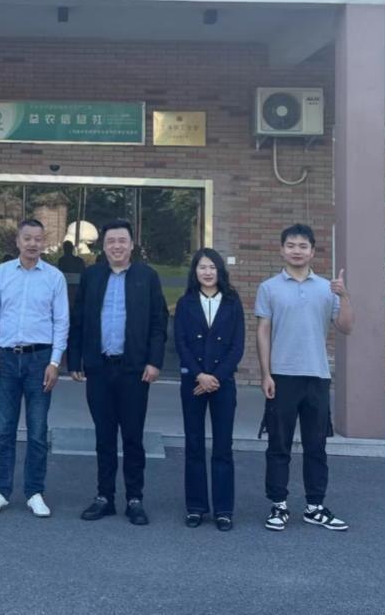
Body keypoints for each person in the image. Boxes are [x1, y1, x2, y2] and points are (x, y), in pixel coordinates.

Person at [255, 223, 354, 532]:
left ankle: (315, 506)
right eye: (291, 245)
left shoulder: (327, 288)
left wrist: (344, 295)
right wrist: (265, 373)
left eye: (302, 246)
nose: (296, 251)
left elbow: (346, 326)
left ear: (312, 251)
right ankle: (278, 505)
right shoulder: (269, 288)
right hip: (282, 376)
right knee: (278, 444)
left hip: (317, 376)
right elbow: (263, 331)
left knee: (316, 446)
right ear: (281, 250)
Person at [69, 220, 167, 526]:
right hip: (99, 368)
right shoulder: (92, 276)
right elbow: (79, 319)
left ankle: (135, 499)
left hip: (134, 370)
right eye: (111, 241)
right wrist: (75, 360)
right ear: (104, 246)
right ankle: (104, 497)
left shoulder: (147, 277)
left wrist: (154, 362)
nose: (116, 246)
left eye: (122, 240)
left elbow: (159, 322)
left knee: (133, 437)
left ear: (131, 244)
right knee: (104, 436)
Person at [0, 218, 69, 518]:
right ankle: (0, 491)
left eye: (38, 239)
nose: (33, 243)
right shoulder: (2, 273)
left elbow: (61, 322)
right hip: (5, 359)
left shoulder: (55, 277)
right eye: (27, 238)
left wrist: (55, 361)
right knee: (4, 430)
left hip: (40, 360)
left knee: (38, 431)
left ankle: (34, 492)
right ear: (18, 241)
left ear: (44, 242)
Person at [174, 247, 245, 531]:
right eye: (202, 267)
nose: (207, 272)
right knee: (193, 444)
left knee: (223, 446)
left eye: (212, 267)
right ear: (195, 271)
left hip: (223, 384)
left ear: (220, 271)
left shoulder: (232, 302)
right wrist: (200, 375)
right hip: (193, 382)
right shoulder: (185, 303)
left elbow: (237, 346)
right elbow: (180, 343)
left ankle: (224, 509)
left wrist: (215, 377)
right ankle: (196, 507)